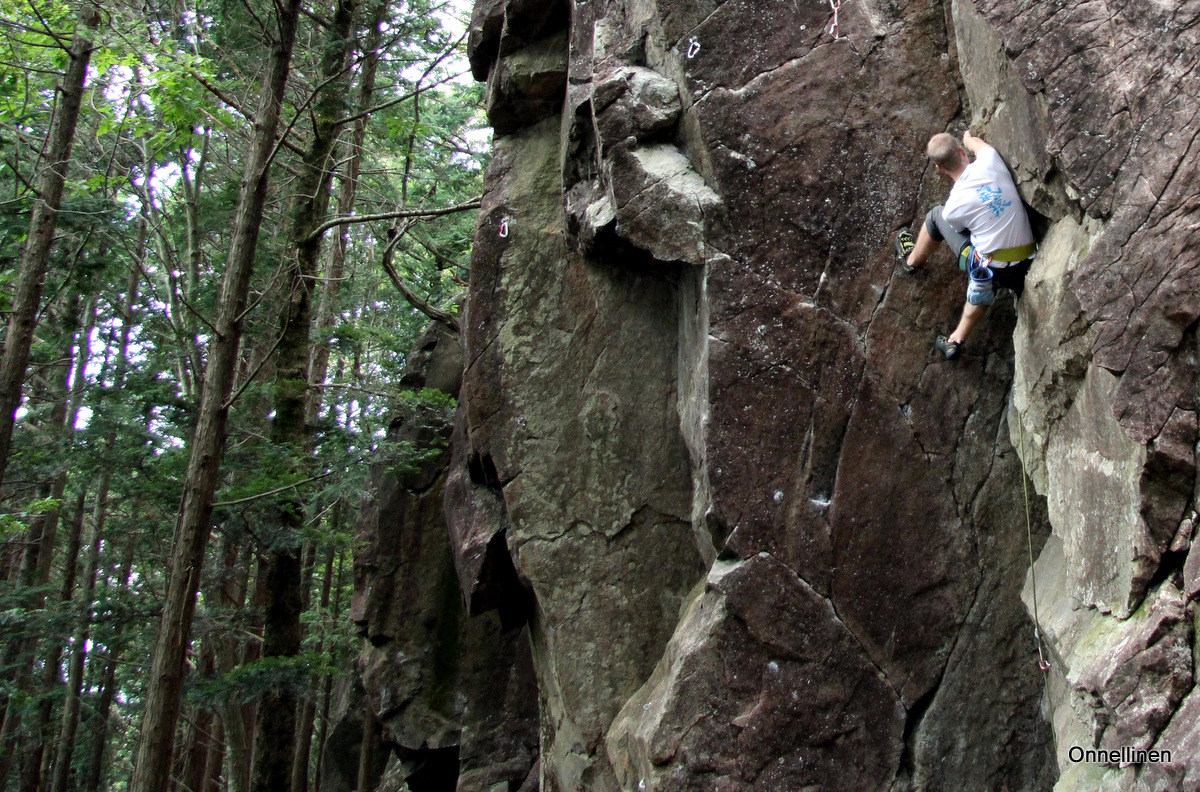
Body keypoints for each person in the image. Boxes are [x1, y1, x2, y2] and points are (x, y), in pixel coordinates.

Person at [894, 130, 1036, 359]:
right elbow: (977, 144)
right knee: (990, 261)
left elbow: (962, 231)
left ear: (940, 169)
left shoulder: (953, 209)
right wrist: (969, 138)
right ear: (961, 151)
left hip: (995, 272)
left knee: (935, 216)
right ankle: (956, 337)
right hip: (1028, 262)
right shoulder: (990, 159)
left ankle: (910, 261)